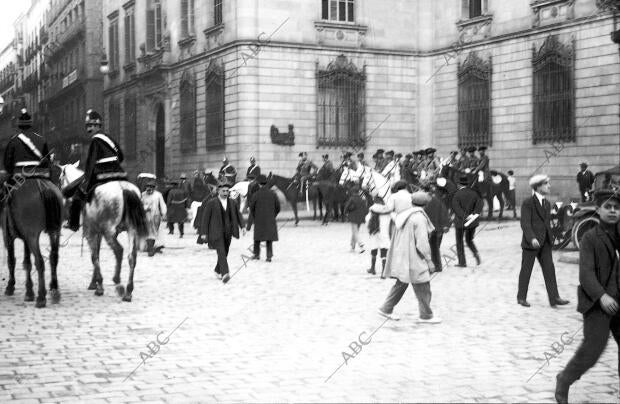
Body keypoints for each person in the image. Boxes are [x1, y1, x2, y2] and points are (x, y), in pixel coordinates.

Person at [555, 189, 620, 404]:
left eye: (616, 208)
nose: (612, 211)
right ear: (598, 210)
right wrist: (602, 296)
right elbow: (586, 274)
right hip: (597, 303)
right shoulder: (590, 238)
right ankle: (564, 379)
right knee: (593, 349)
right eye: (607, 207)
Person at [377, 186, 441, 323]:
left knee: (401, 283)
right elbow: (422, 243)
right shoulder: (419, 218)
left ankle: (385, 308)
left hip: (402, 255)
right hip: (414, 257)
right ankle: (426, 315)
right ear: (425, 205)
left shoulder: (404, 215)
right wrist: (429, 260)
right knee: (423, 285)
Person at [64, 109, 127, 231]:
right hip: (119, 173)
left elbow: (91, 163)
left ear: (97, 126)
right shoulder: (109, 138)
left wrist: (85, 182)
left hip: (101, 173)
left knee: (77, 195)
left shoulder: (95, 140)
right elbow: (121, 156)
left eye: (91, 126)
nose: (89, 129)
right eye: (88, 126)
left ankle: (73, 224)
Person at [517, 174, 570, 308]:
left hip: (545, 242)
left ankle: (554, 298)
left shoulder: (547, 203)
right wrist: (532, 238)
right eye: (546, 184)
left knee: (549, 270)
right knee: (526, 270)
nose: (549, 186)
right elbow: (525, 223)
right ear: (538, 186)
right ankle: (521, 297)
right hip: (531, 243)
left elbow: (547, 223)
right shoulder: (528, 202)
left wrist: (552, 237)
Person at [198, 181, 245, 283]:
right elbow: (205, 218)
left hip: (228, 232)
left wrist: (243, 226)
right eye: (223, 191)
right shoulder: (211, 203)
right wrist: (203, 233)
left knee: (225, 252)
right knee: (221, 252)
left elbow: (238, 215)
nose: (225, 192)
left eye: (227, 191)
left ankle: (217, 269)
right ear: (219, 191)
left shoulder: (232, 203)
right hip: (216, 232)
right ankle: (225, 273)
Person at [3, 108, 52, 190]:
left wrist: (13, 172)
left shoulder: (13, 141)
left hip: (18, 177)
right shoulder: (41, 139)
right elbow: (47, 162)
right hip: (40, 175)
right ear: (31, 125)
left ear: (19, 126)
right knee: (55, 192)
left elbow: (7, 164)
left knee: (5, 196)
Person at [247, 174, 280, 262]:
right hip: (270, 219)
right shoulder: (273, 194)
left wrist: (255, 217)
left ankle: (256, 254)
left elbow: (252, 208)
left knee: (257, 238)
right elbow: (278, 207)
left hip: (259, 219)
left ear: (258, 184)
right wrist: (273, 215)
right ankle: (269, 256)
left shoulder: (256, 195)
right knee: (269, 238)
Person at [452, 175, 483, 267]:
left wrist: (466, 217)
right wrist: (472, 217)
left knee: (459, 242)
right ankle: (476, 253)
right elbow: (479, 206)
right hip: (473, 223)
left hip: (460, 223)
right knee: (469, 240)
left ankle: (462, 262)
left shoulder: (456, 195)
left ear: (458, 185)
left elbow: (457, 209)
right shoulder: (474, 193)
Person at [424, 184, 451, 273]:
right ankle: (438, 266)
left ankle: (430, 267)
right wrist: (445, 226)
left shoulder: (424, 202)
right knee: (435, 248)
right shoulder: (437, 201)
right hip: (437, 228)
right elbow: (444, 214)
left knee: (427, 248)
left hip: (427, 228)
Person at [365, 196, 391, 277]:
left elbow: (367, 219)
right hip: (384, 232)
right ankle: (384, 271)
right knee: (384, 250)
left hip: (375, 231)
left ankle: (373, 268)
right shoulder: (387, 209)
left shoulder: (372, 208)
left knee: (374, 248)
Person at [141, 179, 167, 256]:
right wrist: (145, 208)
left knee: (155, 231)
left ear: (154, 188)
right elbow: (139, 205)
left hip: (156, 215)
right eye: (148, 187)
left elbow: (162, 204)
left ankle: (154, 247)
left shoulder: (158, 195)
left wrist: (164, 212)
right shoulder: (143, 195)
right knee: (147, 232)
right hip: (146, 216)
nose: (149, 189)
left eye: (151, 187)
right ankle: (150, 248)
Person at [344, 184, 368, 253]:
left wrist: (345, 213)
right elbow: (365, 209)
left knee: (355, 232)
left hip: (353, 217)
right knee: (355, 232)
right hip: (360, 218)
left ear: (352, 191)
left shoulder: (352, 198)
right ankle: (352, 247)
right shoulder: (362, 199)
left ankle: (361, 245)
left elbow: (346, 207)